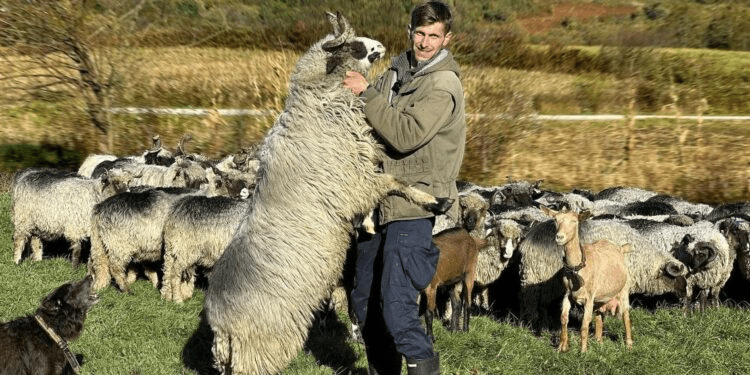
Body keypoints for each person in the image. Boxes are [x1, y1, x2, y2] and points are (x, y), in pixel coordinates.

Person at [343, 1, 465, 374]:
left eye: (434, 35)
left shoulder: (443, 85)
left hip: (414, 207)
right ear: (409, 31)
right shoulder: (394, 73)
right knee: (364, 303)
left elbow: (406, 134)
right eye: (420, 33)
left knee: (397, 308)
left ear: (447, 39)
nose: (425, 42)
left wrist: (366, 93)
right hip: (378, 204)